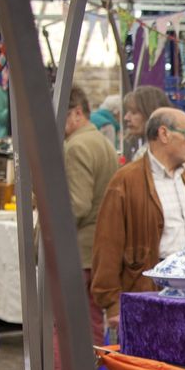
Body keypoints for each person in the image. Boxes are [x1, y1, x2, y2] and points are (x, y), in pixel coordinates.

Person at [90, 105, 185, 341]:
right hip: (148, 299)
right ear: (164, 134)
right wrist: (112, 305)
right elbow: (107, 245)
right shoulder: (125, 181)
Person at [63, 85, 118, 346]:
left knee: (72, 329)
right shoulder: (101, 142)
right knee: (91, 323)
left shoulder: (76, 147)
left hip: (79, 251)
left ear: (76, 113)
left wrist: (51, 236)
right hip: (96, 249)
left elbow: (77, 205)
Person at [120, 84, 169, 162]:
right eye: (127, 112)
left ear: (151, 113)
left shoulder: (147, 155)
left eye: (134, 112)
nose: (126, 118)